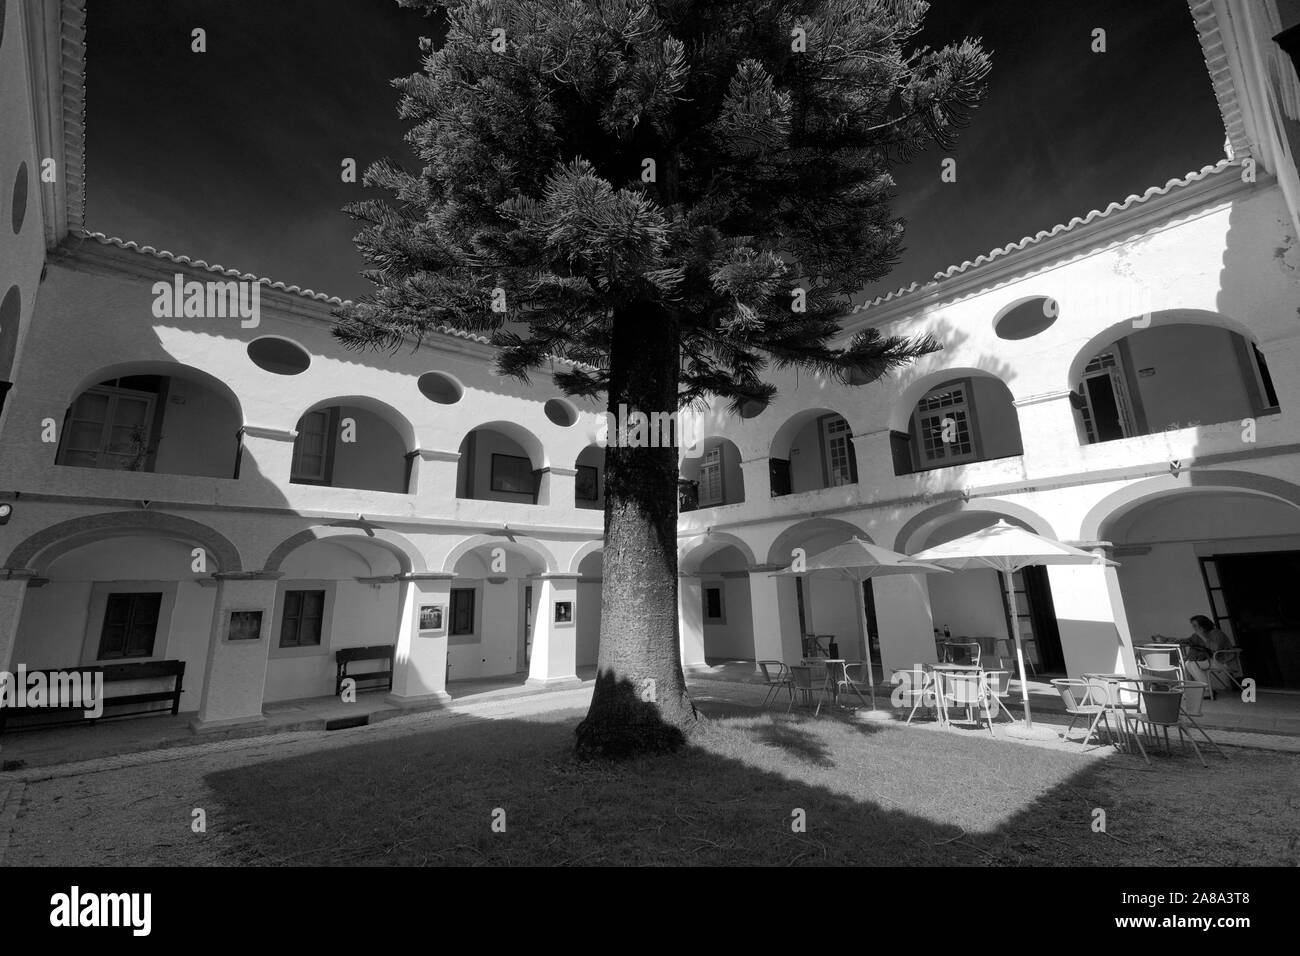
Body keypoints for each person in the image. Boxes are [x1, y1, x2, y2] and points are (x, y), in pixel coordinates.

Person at [1177, 615, 1238, 699]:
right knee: (1188, 663)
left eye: (1195, 625)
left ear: (1203, 625)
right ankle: (1206, 690)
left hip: (1223, 661)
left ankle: (1208, 691)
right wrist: (1168, 639)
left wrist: (1202, 636)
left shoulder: (1216, 633)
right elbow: (1187, 641)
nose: (1194, 628)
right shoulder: (1197, 635)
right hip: (1212, 661)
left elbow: (1215, 647)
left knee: (1191, 664)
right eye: (1193, 626)